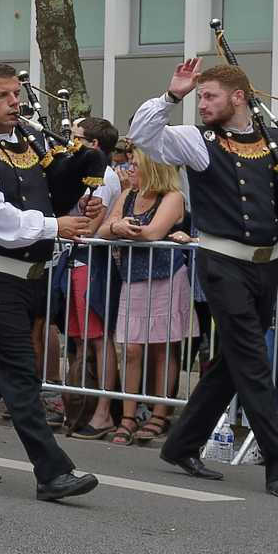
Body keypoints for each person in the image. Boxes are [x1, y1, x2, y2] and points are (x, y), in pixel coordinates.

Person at [131, 60, 278, 499]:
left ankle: (181, 443)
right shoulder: (198, 141)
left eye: (209, 96)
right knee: (253, 360)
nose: (202, 104)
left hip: (268, 265)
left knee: (234, 360)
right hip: (222, 263)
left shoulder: (277, 141)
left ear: (238, 97)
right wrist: (171, 96)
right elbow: (143, 135)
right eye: (200, 97)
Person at [0, 62, 103, 502]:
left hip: (28, 278)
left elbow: (47, 197)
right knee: (20, 372)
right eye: (2, 95)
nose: (14, 102)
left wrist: (78, 206)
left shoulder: (30, 143)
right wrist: (54, 226)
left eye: (16, 94)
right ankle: (52, 471)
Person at [97, 148, 191, 444]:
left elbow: (152, 233)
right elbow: (102, 230)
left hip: (166, 278)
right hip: (133, 277)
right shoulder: (128, 195)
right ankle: (128, 415)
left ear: (153, 168)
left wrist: (119, 229)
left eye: (135, 164)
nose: (129, 169)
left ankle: (159, 414)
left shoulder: (172, 197)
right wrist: (116, 226)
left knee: (163, 347)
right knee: (131, 348)